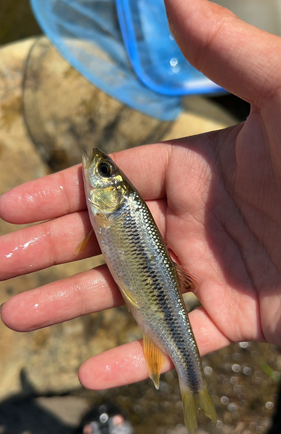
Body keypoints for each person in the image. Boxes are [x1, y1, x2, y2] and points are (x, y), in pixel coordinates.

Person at [1, 0, 281, 393]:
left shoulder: (117, 211)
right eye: (104, 171)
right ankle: (191, 382)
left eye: (104, 173)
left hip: (156, 297)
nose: (96, 170)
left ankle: (192, 383)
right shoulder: (113, 213)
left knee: (165, 333)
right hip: (155, 292)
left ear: (113, 194)